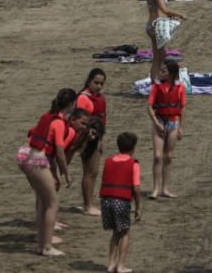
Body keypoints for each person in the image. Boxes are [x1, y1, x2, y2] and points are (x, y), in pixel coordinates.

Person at [16, 88, 78, 257]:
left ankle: (42, 242)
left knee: (43, 199)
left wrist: (56, 174)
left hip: (24, 153)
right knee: (52, 202)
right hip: (35, 157)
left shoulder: (48, 115)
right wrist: (66, 174)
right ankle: (47, 246)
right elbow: (59, 152)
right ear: (72, 105)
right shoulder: (59, 123)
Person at [99, 132, 141, 273]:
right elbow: (135, 188)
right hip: (121, 202)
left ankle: (111, 264)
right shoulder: (133, 163)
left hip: (106, 201)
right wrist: (138, 208)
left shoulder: (108, 161)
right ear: (133, 148)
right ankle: (121, 265)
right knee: (124, 232)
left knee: (115, 233)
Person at [147, 58, 186, 199]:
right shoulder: (156, 87)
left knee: (168, 156)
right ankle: (156, 188)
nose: (160, 73)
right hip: (160, 121)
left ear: (170, 74)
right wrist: (156, 123)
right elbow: (150, 106)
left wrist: (181, 127)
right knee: (158, 156)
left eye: (163, 71)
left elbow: (182, 108)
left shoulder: (180, 87)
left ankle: (165, 189)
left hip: (172, 122)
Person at [144, 0, 185, 82]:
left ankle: (156, 81)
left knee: (159, 56)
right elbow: (164, 9)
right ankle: (155, 82)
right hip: (155, 27)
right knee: (159, 57)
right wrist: (179, 14)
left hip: (158, 25)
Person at [77, 68, 107, 216]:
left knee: (93, 172)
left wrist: (101, 140)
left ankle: (88, 203)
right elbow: (81, 121)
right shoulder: (84, 98)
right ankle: (88, 205)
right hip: (88, 138)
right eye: (96, 83)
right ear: (89, 81)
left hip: (97, 137)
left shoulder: (99, 97)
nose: (99, 86)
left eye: (101, 83)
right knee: (90, 172)